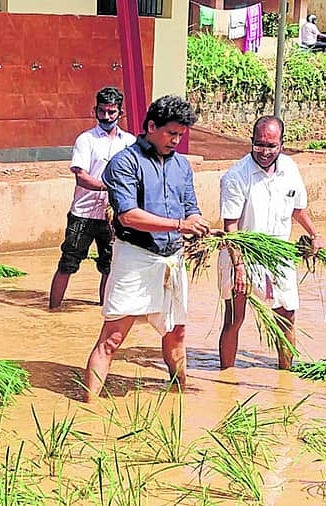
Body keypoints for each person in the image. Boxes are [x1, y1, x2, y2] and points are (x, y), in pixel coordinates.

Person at [83, 95, 216, 403]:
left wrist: (197, 223)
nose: (176, 140)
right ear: (151, 126)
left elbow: (190, 207)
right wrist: (181, 225)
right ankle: (87, 408)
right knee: (112, 339)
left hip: (172, 259)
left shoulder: (182, 165)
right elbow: (129, 215)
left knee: (177, 334)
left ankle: (179, 398)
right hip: (136, 257)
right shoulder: (124, 163)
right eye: (171, 133)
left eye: (181, 135)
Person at [217, 116, 323, 371]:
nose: (264, 152)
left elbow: (298, 209)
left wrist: (315, 234)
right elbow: (230, 228)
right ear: (251, 141)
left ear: (281, 145)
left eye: (271, 146)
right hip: (241, 253)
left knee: (286, 315)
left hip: (279, 254)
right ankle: (226, 378)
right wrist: (239, 267)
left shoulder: (290, 169)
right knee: (234, 318)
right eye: (259, 144)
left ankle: (285, 375)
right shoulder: (236, 176)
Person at [49, 86, 136, 309]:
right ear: (94, 111)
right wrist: (111, 188)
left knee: (110, 266)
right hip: (83, 214)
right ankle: (53, 310)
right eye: (102, 112)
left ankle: (104, 312)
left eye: (111, 112)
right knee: (68, 263)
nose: (106, 117)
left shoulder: (129, 142)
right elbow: (81, 176)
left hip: (113, 216)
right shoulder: (86, 140)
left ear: (120, 113)